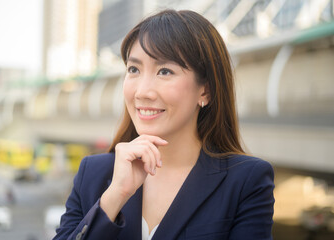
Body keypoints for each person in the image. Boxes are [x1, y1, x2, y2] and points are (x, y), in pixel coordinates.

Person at [53, 9, 275, 240]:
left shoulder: (245, 181)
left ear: (205, 90)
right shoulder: (93, 174)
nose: (142, 92)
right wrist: (114, 197)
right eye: (134, 69)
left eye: (165, 71)